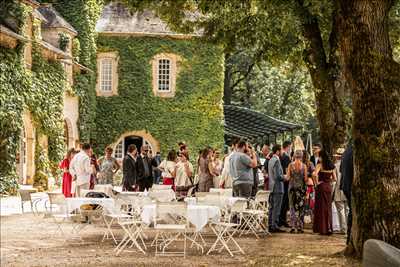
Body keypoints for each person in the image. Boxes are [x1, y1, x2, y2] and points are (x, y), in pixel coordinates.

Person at [313, 149, 337, 235]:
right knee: (328, 208)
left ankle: (322, 228)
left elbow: (314, 174)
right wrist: (329, 181)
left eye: (319, 156)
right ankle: (329, 228)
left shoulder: (320, 165)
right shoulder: (332, 166)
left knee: (321, 208)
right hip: (328, 187)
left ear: (321, 157)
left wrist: (316, 183)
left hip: (322, 186)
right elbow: (335, 178)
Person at [287, 150, 307, 233]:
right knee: (301, 207)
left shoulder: (290, 165)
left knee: (292, 207)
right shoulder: (304, 166)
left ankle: (292, 226)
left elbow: (288, 177)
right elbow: (305, 179)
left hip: (292, 188)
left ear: (294, 156)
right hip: (301, 189)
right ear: (302, 156)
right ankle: (300, 227)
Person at [268, 144, 285, 233]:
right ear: (278, 151)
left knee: (271, 207)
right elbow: (278, 175)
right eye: (281, 150)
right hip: (278, 186)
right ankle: (274, 225)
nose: (282, 152)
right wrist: (285, 177)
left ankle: (270, 224)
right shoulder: (276, 161)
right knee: (276, 207)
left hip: (271, 186)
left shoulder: (271, 160)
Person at [340, 143, 353, 244]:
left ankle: (349, 237)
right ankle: (350, 237)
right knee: (352, 212)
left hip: (346, 185)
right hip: (352, 185)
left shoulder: (345, 152)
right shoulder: (355, 151)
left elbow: (341, 169)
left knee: (351, 212)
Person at [333, 148, 347, 234]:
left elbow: (334, 180)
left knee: (341, 210)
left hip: (338, 189)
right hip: (346, 189)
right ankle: (348, 228)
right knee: (347, 210)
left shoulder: (335, 166)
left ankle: (343, 229)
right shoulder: (349, 165)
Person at [279, 140, 292, 228]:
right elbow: (288, 170)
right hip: (286, 181)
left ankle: (280, 219)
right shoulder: (286, 156)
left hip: (280, 180)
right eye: (290, 147)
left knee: (282, 201)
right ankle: (283, 220)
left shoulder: (279, 156)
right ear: (288, 146)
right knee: (284, 201)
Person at [303, 151, 316, 223]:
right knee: (311, 202)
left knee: (305, 201)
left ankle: (304, 218)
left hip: (303, 185)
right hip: (310, 184)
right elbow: (314, 174)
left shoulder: (300, 164)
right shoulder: (310, 164)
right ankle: (310, 218)